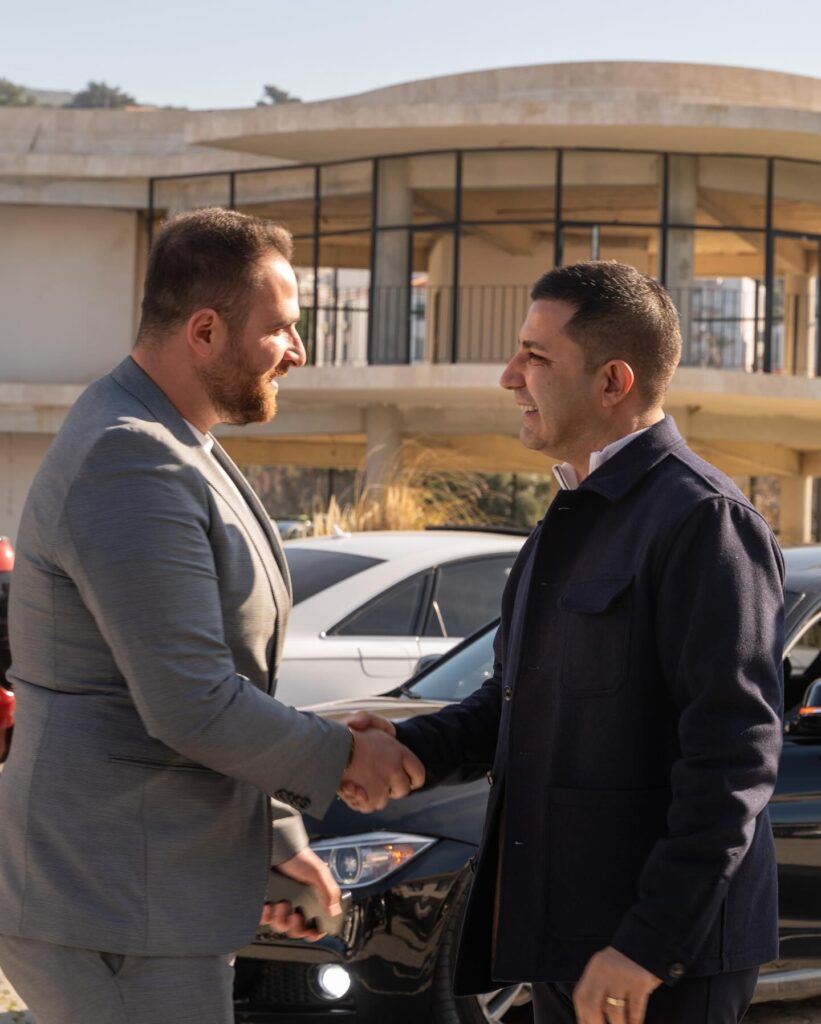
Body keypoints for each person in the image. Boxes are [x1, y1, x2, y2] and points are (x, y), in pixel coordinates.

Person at [0, 208, 422, 1024]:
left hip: (146, 892)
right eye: (281, 328)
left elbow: (214, 680)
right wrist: (344, 757)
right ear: (203, 331)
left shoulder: (173, 439)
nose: (297, 351)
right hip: (113, 902)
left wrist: (275, 839)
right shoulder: (131, 455)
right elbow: (190, 700)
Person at [345, 261, 784, 1024]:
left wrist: (648, 943)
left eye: (535, 357)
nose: (509, 376)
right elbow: (513, 702)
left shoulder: (703, 521)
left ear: (612, 381)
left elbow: (732, 760)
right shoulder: (571, 516)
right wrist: (411, 750)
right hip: (565, 937)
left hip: (656, 960)